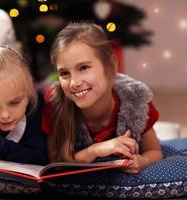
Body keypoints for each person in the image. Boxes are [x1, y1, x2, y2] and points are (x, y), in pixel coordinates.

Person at [42, 22, 162, 174]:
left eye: (84, 68)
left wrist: (143, 161)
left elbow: (154, 151)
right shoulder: (54, 102)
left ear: (111, 66)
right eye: (65, 73)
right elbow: (55, 162)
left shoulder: (136, 101)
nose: (74, 83)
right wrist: (94, 151)